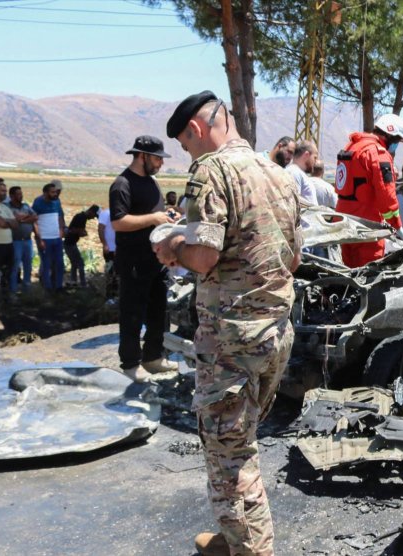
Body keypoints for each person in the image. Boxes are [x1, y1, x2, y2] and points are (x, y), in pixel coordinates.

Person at [157, 90, 301, 556]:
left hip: (231, 342)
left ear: (196, 129)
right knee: (240, 439)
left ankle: (250, 549)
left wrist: (173, 248)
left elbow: (203, 256)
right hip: (275, 333)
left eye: (185, 144)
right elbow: (294, 258)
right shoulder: (278, 174)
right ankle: (236, 535)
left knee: (230, 454)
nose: (188, 154)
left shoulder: (211, 170)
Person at [109, 135, 179, 382]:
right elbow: (118, 222)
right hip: (133, 261)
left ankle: (153, 357)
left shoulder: (151, 182)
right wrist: (152, 219)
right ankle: (130, 363)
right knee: (132, 313)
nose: (161, 163)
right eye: (157, 158)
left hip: (155, 259)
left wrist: (165, 216)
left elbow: (154, 213)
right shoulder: (122, 184)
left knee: (159, 311)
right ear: (142, 156)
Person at [334, 113, 403, 267]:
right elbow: (386, 196)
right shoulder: (378, 153)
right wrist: (397, 225)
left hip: (343, 222)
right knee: (368, 273)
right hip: (366, 227)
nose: (396, 146)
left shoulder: (352, 147)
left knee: (348, 270)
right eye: (397, 141)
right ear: (390, 135)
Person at [32, 180, 66, 291]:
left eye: (56, 192)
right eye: (53, 192)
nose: (56, 194)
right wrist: (39, 239)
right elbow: (34, 221)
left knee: (60, 263)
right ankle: (47, 288)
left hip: (57, 238)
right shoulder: (38, 202)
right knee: (46, 264)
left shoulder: (57, 201)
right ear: (45, 193)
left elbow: (60, 216)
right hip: (45, 238)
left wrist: (61, 230)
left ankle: (59, 287)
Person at [5, 186, 37, 294]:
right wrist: (25, 217)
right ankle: (13, 290)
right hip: (15, 241)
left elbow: (35, 217)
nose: (21, 196)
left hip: (27, 241)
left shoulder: (26, 206)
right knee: (15, 266)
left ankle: (26, 289)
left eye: (21, 193)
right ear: (12, 196)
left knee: (28, 265)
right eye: (18, 194)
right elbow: (12, 219)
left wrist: (22, 219)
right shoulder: (7, 207)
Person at [63, 204, 100, 288]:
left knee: (74, 263)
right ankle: (83, 284)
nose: (93, 218)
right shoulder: (81, 218)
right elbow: (77, 231)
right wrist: (82, 232)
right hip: (70, 244)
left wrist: (81, 232)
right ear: (91, 212)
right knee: (80, 263)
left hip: (70, 243)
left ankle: (73, 281)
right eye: (94, 216)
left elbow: (77, 230)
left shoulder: (82, 217)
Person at [285, 140, 320, 207]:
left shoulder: (297, 172)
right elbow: (294, 202)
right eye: (315, 157)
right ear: (306, 155)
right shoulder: (294, 172)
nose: (315, 162)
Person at [97, 206, 118, 302]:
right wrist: (105, 244)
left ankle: (116, 295)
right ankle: (109, 296)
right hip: (110, 249)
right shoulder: (106, 213)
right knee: (110, 273)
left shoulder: (121, 213)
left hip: (119, 249)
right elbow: (100, 229)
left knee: (118, 273)